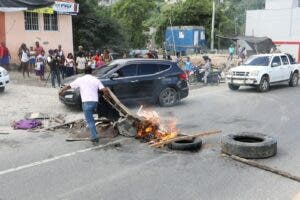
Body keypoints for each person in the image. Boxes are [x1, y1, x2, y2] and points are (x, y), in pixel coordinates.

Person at [59, 67, 109, 143]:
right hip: (95, 103)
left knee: (90, 121)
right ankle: (94, 129)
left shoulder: (80, 79)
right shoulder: (96, 79)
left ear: (84, 72)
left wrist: (62, 90)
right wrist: (106, 97)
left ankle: (95, 137)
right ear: (91, 72)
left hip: (86, 103)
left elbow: (69, 86)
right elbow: (104, 89)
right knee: (92, 117)